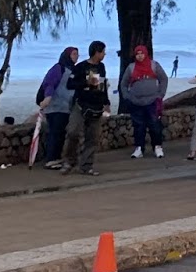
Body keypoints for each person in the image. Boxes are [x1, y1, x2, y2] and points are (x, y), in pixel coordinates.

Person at [61, 42, 110, 176]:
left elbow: (102, 84)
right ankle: (69, 161)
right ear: (96, 52)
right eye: (103, 52)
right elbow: (70, 84)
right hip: (81, 104)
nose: (104, 54)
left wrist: (106, 102)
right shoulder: (81, 67)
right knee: (73, 132)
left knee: (92, 137)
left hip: (96, 105)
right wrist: (85, 83)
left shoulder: (101, 67)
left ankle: (86, 166)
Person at [120, 45, 169, 160]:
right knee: (138, 126)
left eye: (142, 53)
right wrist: (127, 97)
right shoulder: (131, 68)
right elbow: (124, 83)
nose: (140, 56)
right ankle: (139, 148)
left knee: (154, 125)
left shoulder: (154, 65)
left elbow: (163, 79)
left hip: (152, 101)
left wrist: (160, 95)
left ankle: (157, 147)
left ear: (146, 54)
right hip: (136, 102)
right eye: (137, 54)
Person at [36, 46, 78, 168]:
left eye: (77, 54)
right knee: (55, 132)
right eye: (74, 54)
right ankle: (51, 158)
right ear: (67, 55)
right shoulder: (58, 68)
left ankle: (56, 158)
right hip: (55, 107)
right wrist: (48, 97)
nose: (76, 56)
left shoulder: (72, 70)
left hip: (66, 107)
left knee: (60, 133)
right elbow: (49, 83)